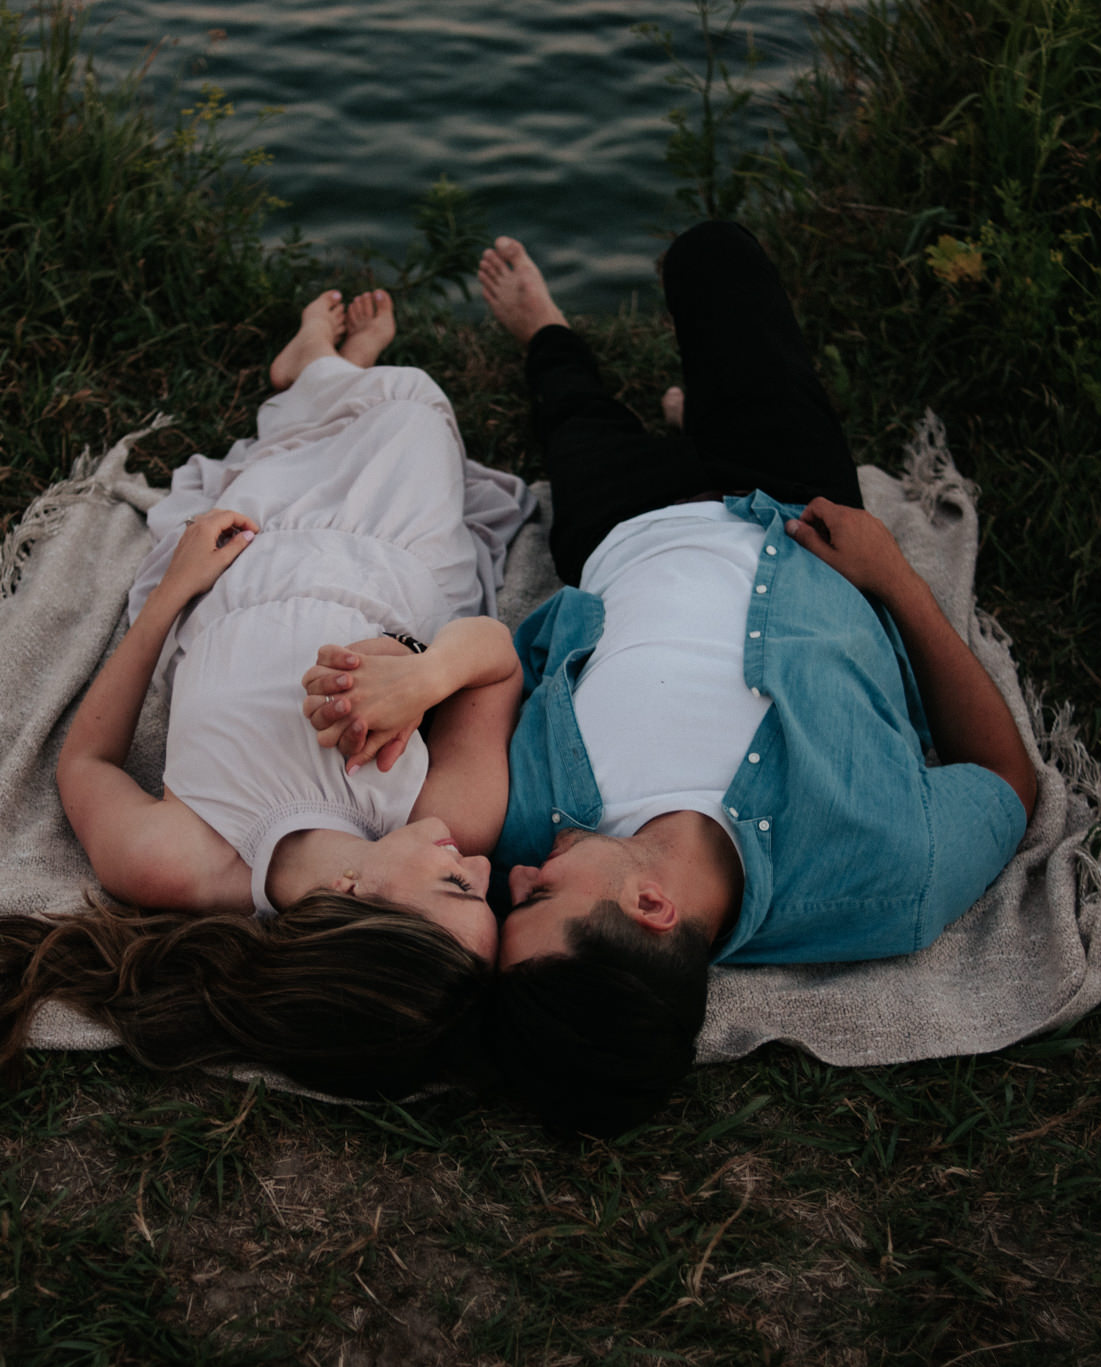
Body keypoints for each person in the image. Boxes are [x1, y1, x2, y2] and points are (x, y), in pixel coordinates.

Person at [310, 226, 1037, 1136]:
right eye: (539, 895)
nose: (515, 873)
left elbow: (476, 687)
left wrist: (405, 673)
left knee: (577, 418)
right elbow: (1008, 782)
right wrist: (895, 578)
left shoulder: (530, 826)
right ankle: (691, 414)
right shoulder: (893, 871)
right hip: (797, 505)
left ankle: (546, 329)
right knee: (716, 258)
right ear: (653, 907)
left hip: (620, 529)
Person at [0, 288, 534, 1101]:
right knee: (418, 406)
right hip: (401, 559)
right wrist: (422, 670)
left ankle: (313, 373)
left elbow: (86, 762)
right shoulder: (451, 812)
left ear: (359, 898)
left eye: (458, 885)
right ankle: (322, 374)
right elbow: (496, 661)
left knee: (310, 450)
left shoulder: (185, 864)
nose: (475, 862)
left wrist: (167, 600)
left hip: (256, 564)